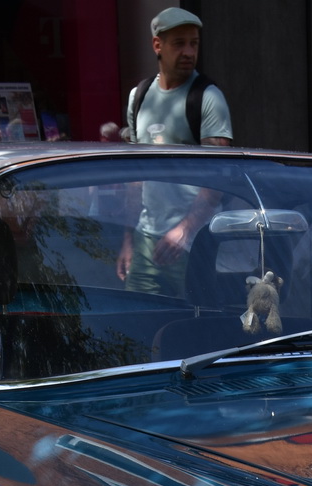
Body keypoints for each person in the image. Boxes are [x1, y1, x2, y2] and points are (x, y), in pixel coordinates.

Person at [118, 7, 233, 298]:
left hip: (194, 241)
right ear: (157, 45)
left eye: (193, 43)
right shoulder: (139, 96)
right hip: (146, 238)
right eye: (179, 43)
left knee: (193, 330)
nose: (188, 51)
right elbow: (135, 176)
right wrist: (128, 239)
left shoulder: (207, 98)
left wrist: (185, 229)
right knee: (139, 324)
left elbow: (217, 179)